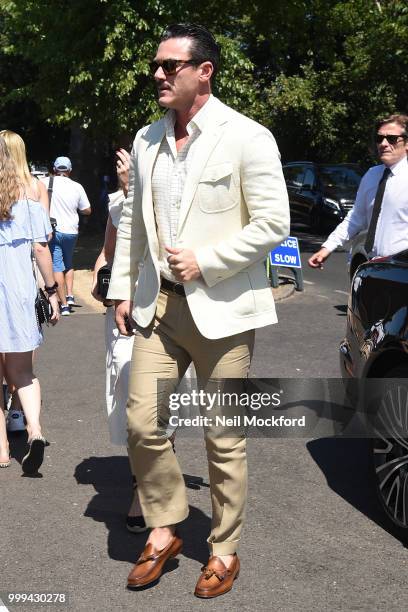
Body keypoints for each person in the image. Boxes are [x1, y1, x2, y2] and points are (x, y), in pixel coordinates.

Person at [108, 23, 290, 598]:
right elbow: (136, 222)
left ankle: (224, 549)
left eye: (170, 66)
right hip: (157, 307)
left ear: (203, 71)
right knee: (143, 423)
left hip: (225, 312)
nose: (158, 75)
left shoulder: (247, 136)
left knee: (223, 436)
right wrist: (118, 290)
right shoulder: (145, 139)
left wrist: (207, 261)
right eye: (156, 67)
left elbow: (273, 224)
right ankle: (165, 528)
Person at [92, 148, 194, 533]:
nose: (125, 172)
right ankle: (146, 483)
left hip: (164, 310)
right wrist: (101, 275)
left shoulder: (171, 199)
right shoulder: (119, 203)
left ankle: (149, 492)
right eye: (122, 168)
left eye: (130, 168)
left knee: (158, 399)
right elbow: (107, 253)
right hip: (124, 313)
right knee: (131, 397)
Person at [0, 136, 59, 473]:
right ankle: (34, 431)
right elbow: (40, 249)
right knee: (22, 372)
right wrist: (52, 291)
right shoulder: (31, 204)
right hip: (19, 291)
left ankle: (3, 450)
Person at [308, 113, 408, 269]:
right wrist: (327, 248)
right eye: (379, 138)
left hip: (402, 269)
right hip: (373, 266)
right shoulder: (371, 175)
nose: (383, 143)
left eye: (392, 139)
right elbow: (356, 217)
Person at [42, 156, 91, 315]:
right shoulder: (77, 186)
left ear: (54, 169)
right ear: (70, 170)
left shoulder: (44, 183)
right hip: (72, 231)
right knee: (68, 262)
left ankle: (63, 305)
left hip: (54, 230)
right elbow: (87, 210)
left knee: (57, 265)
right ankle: (70, 295)